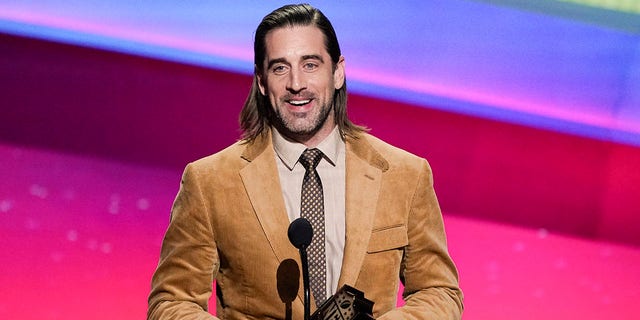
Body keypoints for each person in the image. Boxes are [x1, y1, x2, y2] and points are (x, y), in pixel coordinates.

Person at [148, 3, 463, 320]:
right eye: (280, 68)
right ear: (261, 81)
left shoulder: (404, 175)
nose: (296, 83)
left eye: (310, 65)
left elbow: (438, 292)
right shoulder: (210, 182)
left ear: (337, 72)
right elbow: (172, 303)